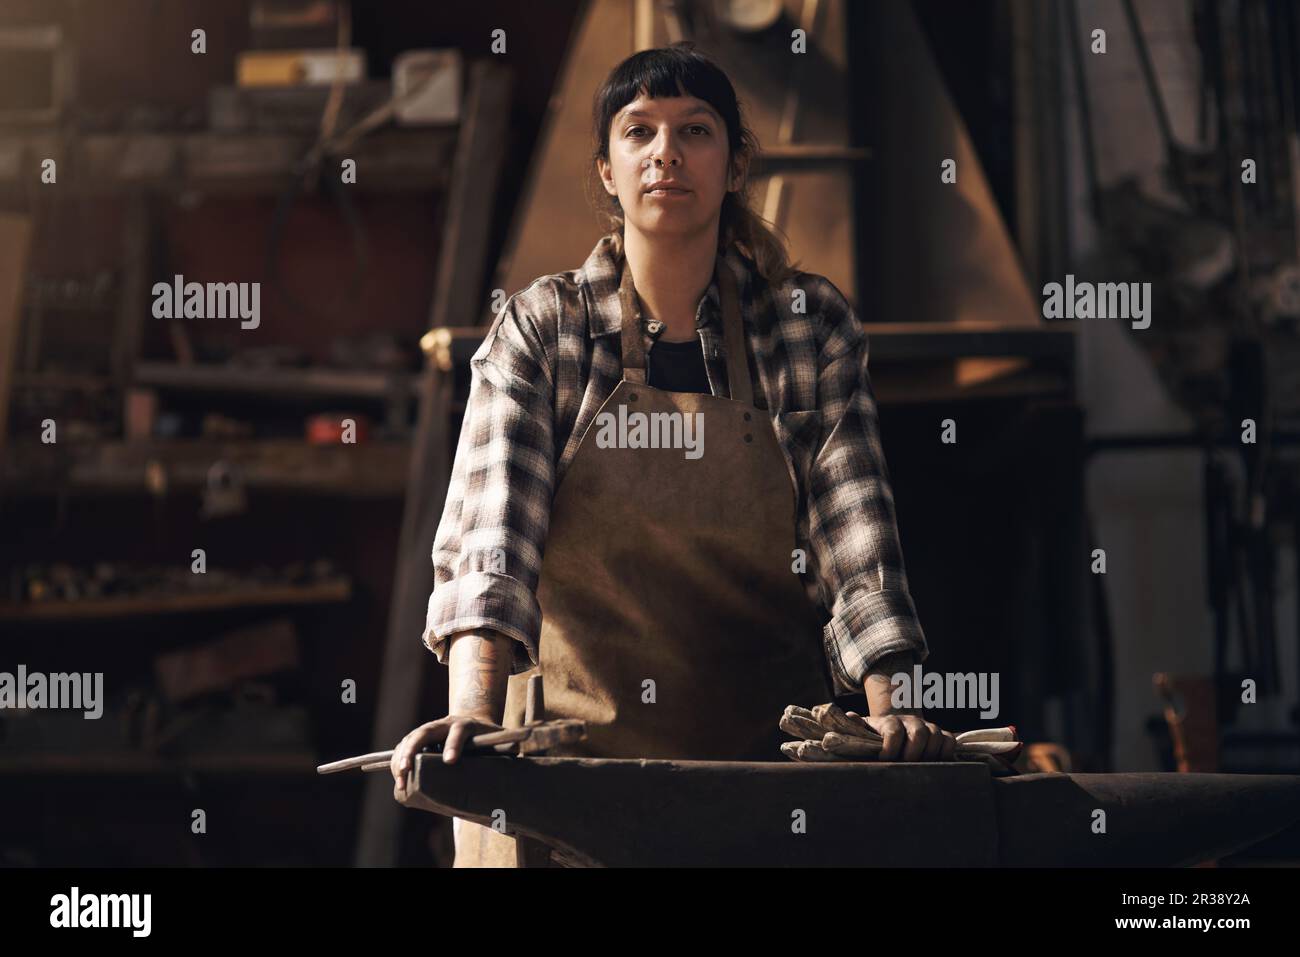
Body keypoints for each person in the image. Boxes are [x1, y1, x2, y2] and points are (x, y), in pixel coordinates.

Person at [392, 41, 955, 867]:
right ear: (607, 171)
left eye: (695, 129)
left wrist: (890, 710)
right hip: (561, 788)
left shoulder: (808, 326)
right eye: (639, 131)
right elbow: (492, 541)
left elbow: (854, 531)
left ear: (734, 166)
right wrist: (473, 712)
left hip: (757, 778)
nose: (666, 152)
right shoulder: (542, 330)